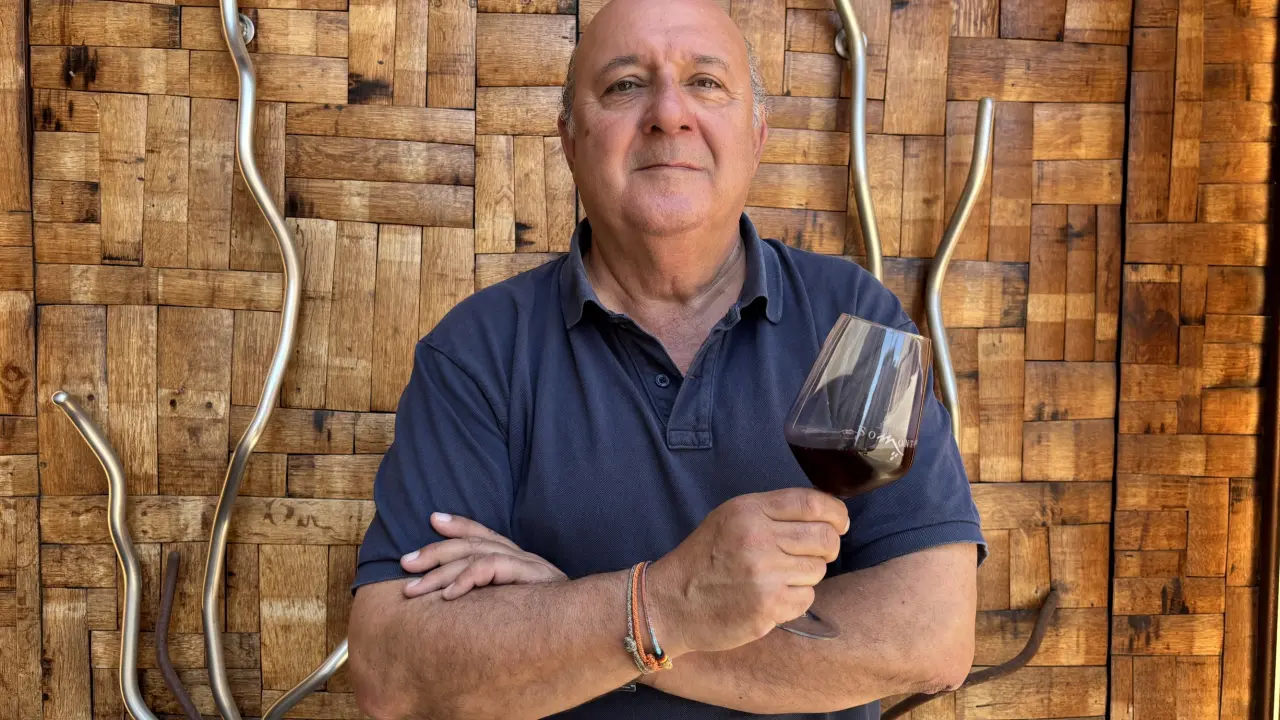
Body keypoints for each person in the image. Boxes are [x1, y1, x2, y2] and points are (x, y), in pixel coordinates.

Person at [347, 0, 985, 717]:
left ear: (757, 134)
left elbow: (931, 637)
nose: (669, 115)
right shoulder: (478, 351)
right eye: (625, 85)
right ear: (569, 139)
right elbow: (392, 671)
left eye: (706, 83)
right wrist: (663, 604)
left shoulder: (854, 317)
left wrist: (612, 624)